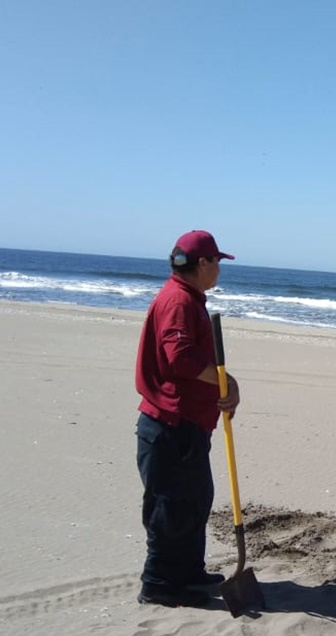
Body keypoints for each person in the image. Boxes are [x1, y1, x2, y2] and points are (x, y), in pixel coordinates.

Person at [134, 230, 240, 607]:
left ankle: (189, 571)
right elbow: (179, 358)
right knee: (171, 506)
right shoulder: (178, 301)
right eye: (216, 262)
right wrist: (224, 379)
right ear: (203, 263)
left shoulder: (189, 299)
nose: (219, 270)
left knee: (195, 500)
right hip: (170, 425)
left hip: (187, 424)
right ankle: (160, 583)